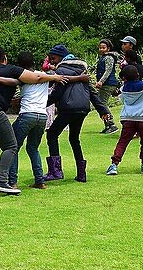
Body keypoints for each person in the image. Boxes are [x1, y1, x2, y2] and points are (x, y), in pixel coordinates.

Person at [0, 47, 70, 195]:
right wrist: (55, 77)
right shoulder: (12, 69)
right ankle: (2, 182)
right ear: (5, 58)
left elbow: (14, 82)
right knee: (11, 146)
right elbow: (36, 78)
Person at [44, 45, 107, 183]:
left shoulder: (61, 69)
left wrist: (42, 104)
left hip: (68, 108)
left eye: (53, 58)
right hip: (83, 108)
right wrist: (103, 110)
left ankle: (55, 171)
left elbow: (58, 93)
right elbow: (92, 92)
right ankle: (81, 174)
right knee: (74, 138)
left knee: (52, 134)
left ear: (60, 56)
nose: (52, 62)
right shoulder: (82, 70)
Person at [0, 52, 57, 189]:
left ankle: (12, 182)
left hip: (27, 114)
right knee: (33, 148)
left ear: (20, 64)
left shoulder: (22, 76)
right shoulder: (44, 75)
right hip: (42, 116)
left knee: (13, 147)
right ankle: (39, 180)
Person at [94, 39, 121, 134]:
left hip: (108, 84)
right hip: (107, 83)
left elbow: (108, 71)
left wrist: (101, 81)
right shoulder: (103, 57)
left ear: (108, 48)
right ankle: (108, 125)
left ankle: (111, 124)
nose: (101, 49)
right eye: (100, 47)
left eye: (103, 47)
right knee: (101, 104)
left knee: (102, 104)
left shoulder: (109, 57)